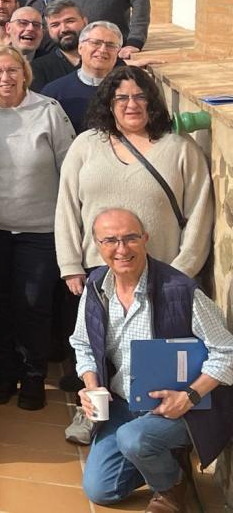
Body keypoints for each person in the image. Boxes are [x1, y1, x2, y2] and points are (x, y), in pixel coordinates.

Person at [71, 208, 233, 511]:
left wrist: (189, 396)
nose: (121, 249)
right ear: (97, 245)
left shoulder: (181, 291)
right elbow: (82, 342)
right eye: (110, 240)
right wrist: (91, 386)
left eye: (130, 238)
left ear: (145, 238)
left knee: (134, 438)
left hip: (182, 407)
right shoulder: (95, 287)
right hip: (122, 403)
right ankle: (161, 454)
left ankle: (171, 488)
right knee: (101, 490)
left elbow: (228, 351)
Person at [0, 46, 75, 411]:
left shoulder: (48, 111)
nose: (5, 78)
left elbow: (70, 170)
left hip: (40, 229)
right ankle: (4, 369)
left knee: (34, 303)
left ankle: (33, 374)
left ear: (25, 73)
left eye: (12, 70)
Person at [56, 65, 214, 291]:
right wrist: (70, 265)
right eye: (122, 98)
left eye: (140, 97)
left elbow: (199, 215)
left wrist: (181, 271)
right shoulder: (85, 145)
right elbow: (67, 208)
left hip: (162, 275)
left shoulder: (180, 149)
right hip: (98, 272)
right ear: (109, 104)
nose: (132, 105)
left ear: (152, 102)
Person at [44, 21, 124, 132]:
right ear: (80, 47)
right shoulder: (54, 93)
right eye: (96, 43)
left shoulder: (130, 90)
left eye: (110, 45)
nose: (102, 50)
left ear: (118, 52)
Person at [30, 0, 85, 90]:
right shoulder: (37, 70)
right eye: (55, 25)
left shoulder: (105, 58)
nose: (64, 29)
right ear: (48, 31)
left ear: (85, 21)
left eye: (70, 21)